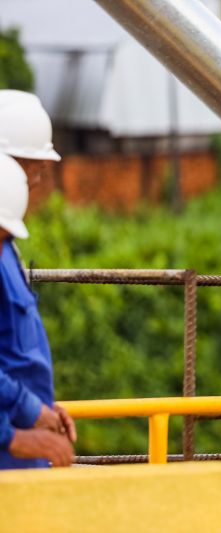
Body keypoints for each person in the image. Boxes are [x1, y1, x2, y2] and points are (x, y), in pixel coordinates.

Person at [0, 94, 75, 468]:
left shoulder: (5, 247)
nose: (35, 182)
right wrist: (19, 427)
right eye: (32, 168)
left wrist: (42, 411)